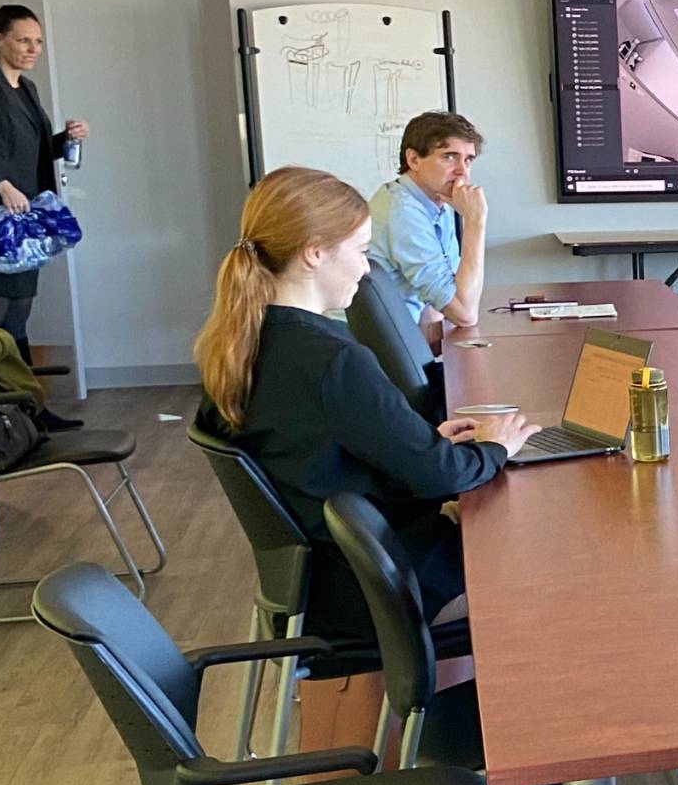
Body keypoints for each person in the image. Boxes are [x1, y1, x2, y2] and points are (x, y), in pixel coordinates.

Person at [195, 166, 534, 644]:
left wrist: (414, 443)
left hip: (323, 579)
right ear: (315, 253)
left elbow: (310, 451)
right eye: (359, 251)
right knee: (549, 563)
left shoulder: (234, 347)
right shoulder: (333, 359)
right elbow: (440, 476)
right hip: (377, 586)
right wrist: (495, 448)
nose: (365, 268)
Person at [0, 3, 87, 427]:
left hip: (25, 221)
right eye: (22, 40)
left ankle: (28, 411)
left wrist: (63, 140)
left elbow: (28, 152)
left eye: (37, 42)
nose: (32, 49)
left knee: (19, 314)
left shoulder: (26, 89)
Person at [369, 111, 489, 331]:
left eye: (468, 159)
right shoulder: (402, 211)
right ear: (414, 160)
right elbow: (464, 313)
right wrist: (475, 221)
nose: (462, 171)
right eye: (449, 156)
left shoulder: (436, 203)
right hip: (368, 348)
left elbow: (453, 293)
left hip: (401, 337)